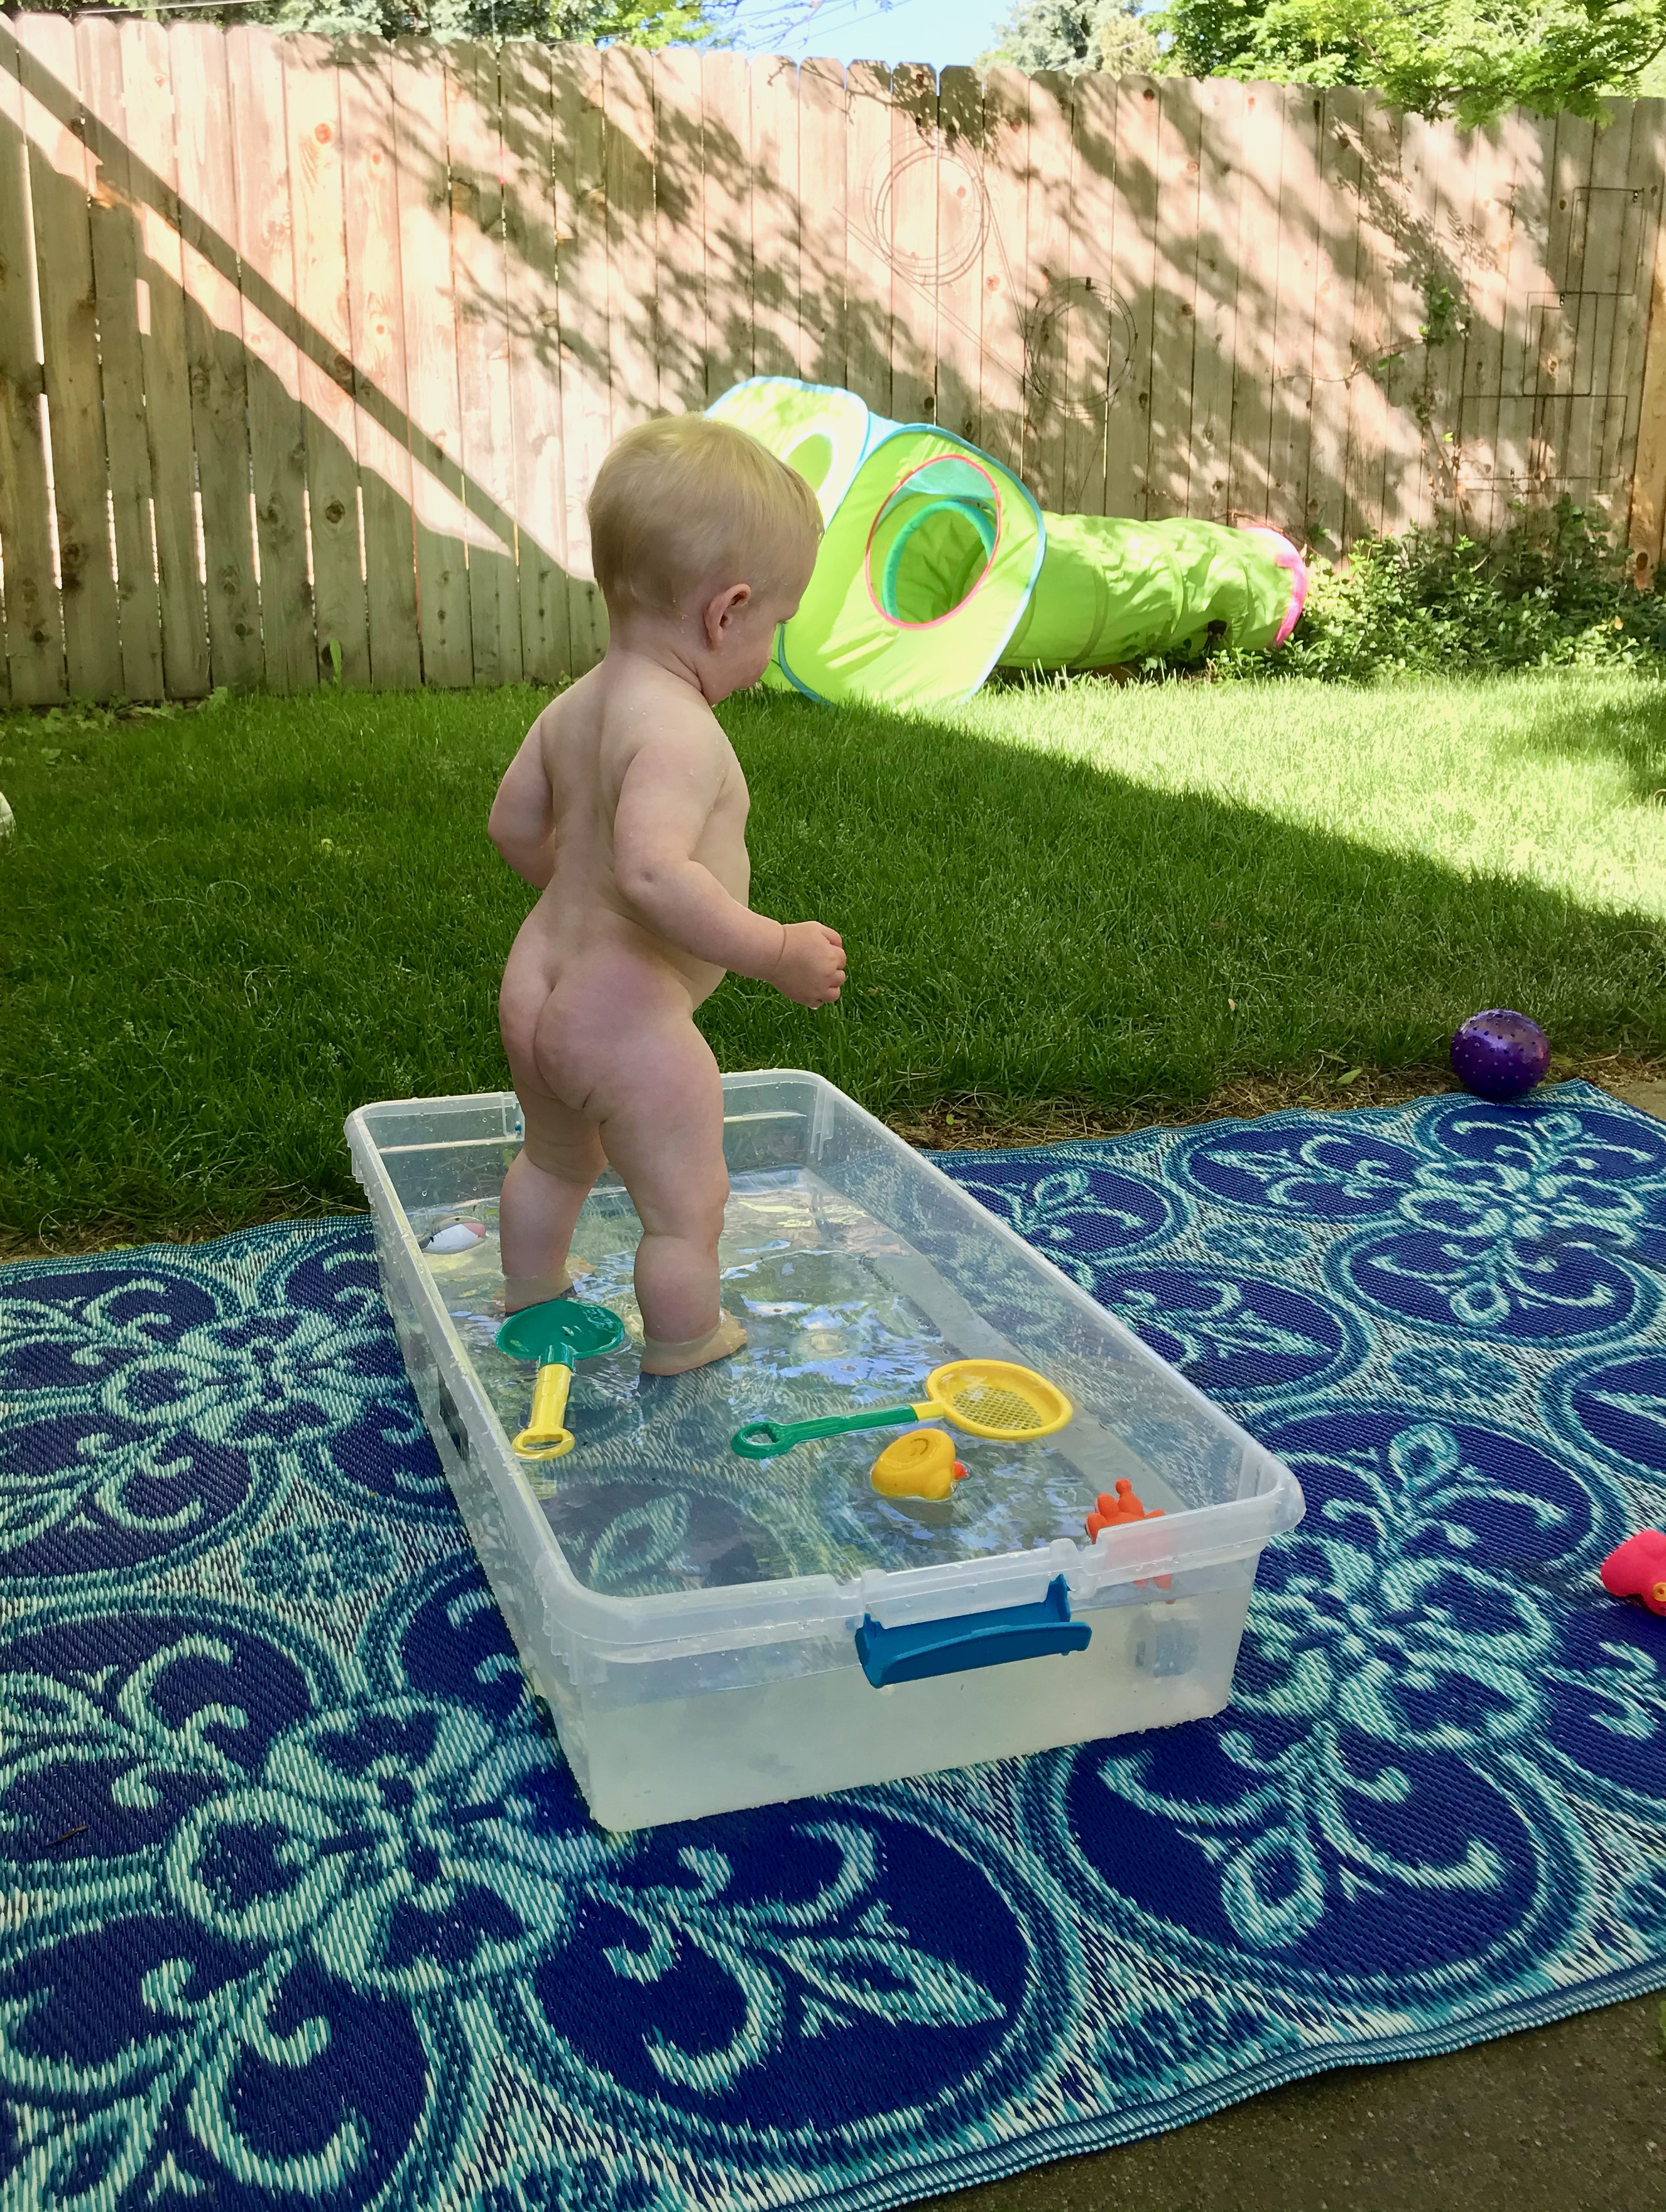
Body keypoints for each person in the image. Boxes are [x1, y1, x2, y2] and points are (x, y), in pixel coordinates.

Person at [487, 415, 845, 1376]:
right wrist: (773, 949)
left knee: (555, 1161)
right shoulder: (682, 731)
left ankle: (530, 1298)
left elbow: (513, 826)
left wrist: (575, 887)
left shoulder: (576, 703)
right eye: (776, 624)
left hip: (536, 984)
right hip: (628, 1019)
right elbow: (652, 874)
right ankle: (686, 1339)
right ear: (726, 614)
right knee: (688, 1205)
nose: (769, 646)